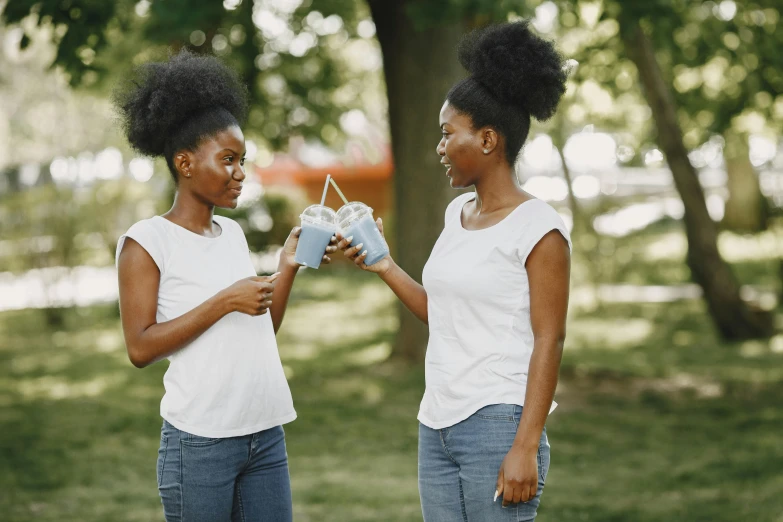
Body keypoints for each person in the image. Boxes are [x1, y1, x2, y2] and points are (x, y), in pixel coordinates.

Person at [337, 21, 571, 521]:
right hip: (436, 422)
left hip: (498, 424)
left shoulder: (540, 228)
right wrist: (384, 265)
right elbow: (442, 313)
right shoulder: (457, 214)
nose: (440, 148)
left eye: (447, 135)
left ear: (488, 139)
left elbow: (549, 340)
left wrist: (525, 446)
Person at [113, 50, 335, 522]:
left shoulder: (231, 233)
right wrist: (223, 301)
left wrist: (287, 267)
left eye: (243, 161)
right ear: (186, 162)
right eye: (228, 160)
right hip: (200, 444)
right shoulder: (146, 242)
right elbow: (139, 347)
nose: (240, 173)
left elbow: (259, 331)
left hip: (265, 434)